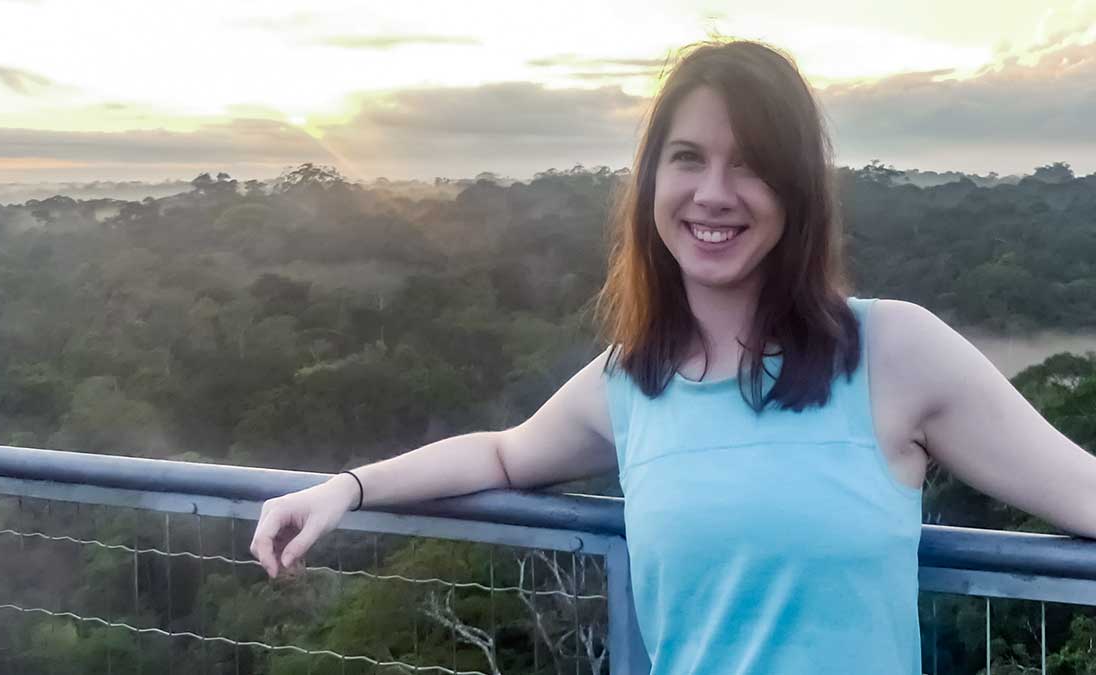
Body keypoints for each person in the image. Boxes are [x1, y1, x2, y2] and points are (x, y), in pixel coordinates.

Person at [251, 39, 1096, 674]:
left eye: (752, 166)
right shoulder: (634, 379)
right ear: (651, 182)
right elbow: (504, 452)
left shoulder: (891, 351)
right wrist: (347, 487)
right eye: (687, 159)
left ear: (796, 195)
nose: (714, 193)